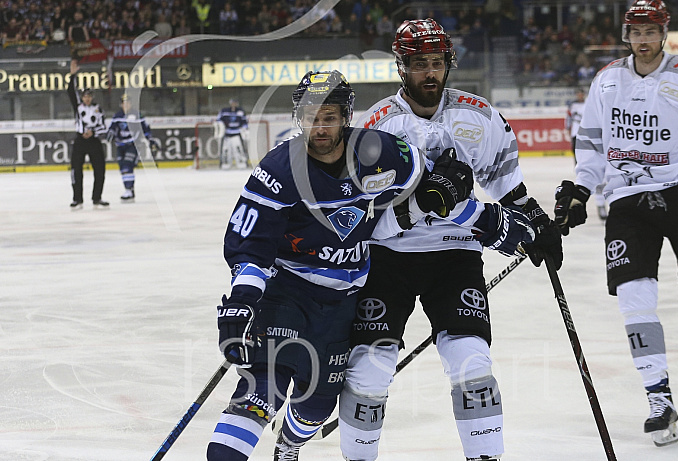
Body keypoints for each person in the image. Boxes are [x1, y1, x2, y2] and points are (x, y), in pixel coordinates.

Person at [206, 70, 534, 461]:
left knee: (315, 408)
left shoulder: (381, 151)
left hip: (344, 304)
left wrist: (494, 224)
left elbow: (435, 196)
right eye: (311, 115)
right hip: (289, 294)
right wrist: (242, 299)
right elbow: (250, 245)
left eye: (329, 116)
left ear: (346, 116)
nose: (319, 126)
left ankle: (289, 445)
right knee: (261, 392)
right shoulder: (279, 168)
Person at [335, 19, 563, 461]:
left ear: (448, 63)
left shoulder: (478, 115)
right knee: (369, 369)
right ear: (402, 67)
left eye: (436, 63)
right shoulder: (379, 124)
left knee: (472, 361)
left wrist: (535, 221)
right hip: (389, 257)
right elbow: (362, 208)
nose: (430, 74)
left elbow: (506, 185)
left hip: (456, 254)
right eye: (419, 64)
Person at [554, 0, 678, 448]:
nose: (644, 40)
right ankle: (658, 399)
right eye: (637, 32)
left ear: (664, 32)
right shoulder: (607, 80)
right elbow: (592, 141)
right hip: (628, 200)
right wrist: (581, 189)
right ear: (626, 35)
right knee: (634, 299)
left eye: (652, 31)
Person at [67, 59, 109, 209]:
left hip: (94, 141)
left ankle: (97, 198)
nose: (87, 98)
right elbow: (71, 92)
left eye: (89, 96)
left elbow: (103, 127)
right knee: (76, 169)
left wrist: (93, 132)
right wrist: (72, 75)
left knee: (100, 169)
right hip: (80, 141)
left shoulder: (98, 110)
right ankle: (77, 199)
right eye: (85, 96)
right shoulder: (78, 107)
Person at [566, 88, 607, 220]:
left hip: (592, 138)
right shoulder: (572, 106)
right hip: (577, 136)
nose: (579, 95)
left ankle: (603, 202)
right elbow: (568, 120)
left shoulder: (591, 104)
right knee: (586, 167)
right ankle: (598, 200)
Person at [106, 93, 154, 202]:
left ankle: (128, 190)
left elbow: (145, 129)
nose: (126, 105)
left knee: (127, 166)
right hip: (120, 146)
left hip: (133, 145)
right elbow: (112, 128)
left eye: (128, 103)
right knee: (123, 168)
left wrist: (150, 140)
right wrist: (110, 134)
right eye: (124, 103)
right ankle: (130, 190)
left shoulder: (137, 115)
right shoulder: (117, 116)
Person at [217, 99, 249, 169]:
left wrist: (245, 130)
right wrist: (221, 128)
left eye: (235, 103)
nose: (234, 104)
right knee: (226, 150)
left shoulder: (241, 111)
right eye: (232, 103)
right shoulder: (224, 111)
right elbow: (218, 120)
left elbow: (244, 122)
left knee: (239, 149)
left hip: (237, 133)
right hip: (227, 134)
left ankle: (242, 162)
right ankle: (225, 163)